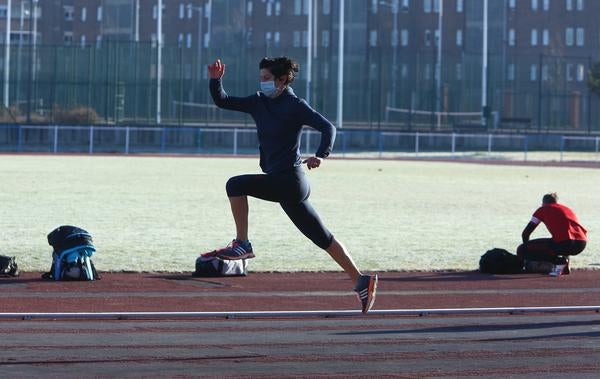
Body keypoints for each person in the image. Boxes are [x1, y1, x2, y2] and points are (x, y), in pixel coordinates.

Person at [205, 57, 377, 313]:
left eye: (266, 78)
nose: (262, 82)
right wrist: (215, 80)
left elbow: (327, 127)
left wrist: (321, 154)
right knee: (322, 237)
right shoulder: (258, 102)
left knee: (235, 185)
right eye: (260, 78)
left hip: (290, 181)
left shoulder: (295, 105)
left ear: (282, 80)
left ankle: (243, 243)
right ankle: (361, 280)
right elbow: (223, 101)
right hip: (285, 184)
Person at [518, 193, 587, 276]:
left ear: (544, 202)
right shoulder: (567, 209)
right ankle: (564, 266)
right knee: (560, 240)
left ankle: (559, 262)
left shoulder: (542, 209)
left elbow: (525, 233)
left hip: (564, 243)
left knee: (522, 250)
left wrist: (527, 253)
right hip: (581, 244)